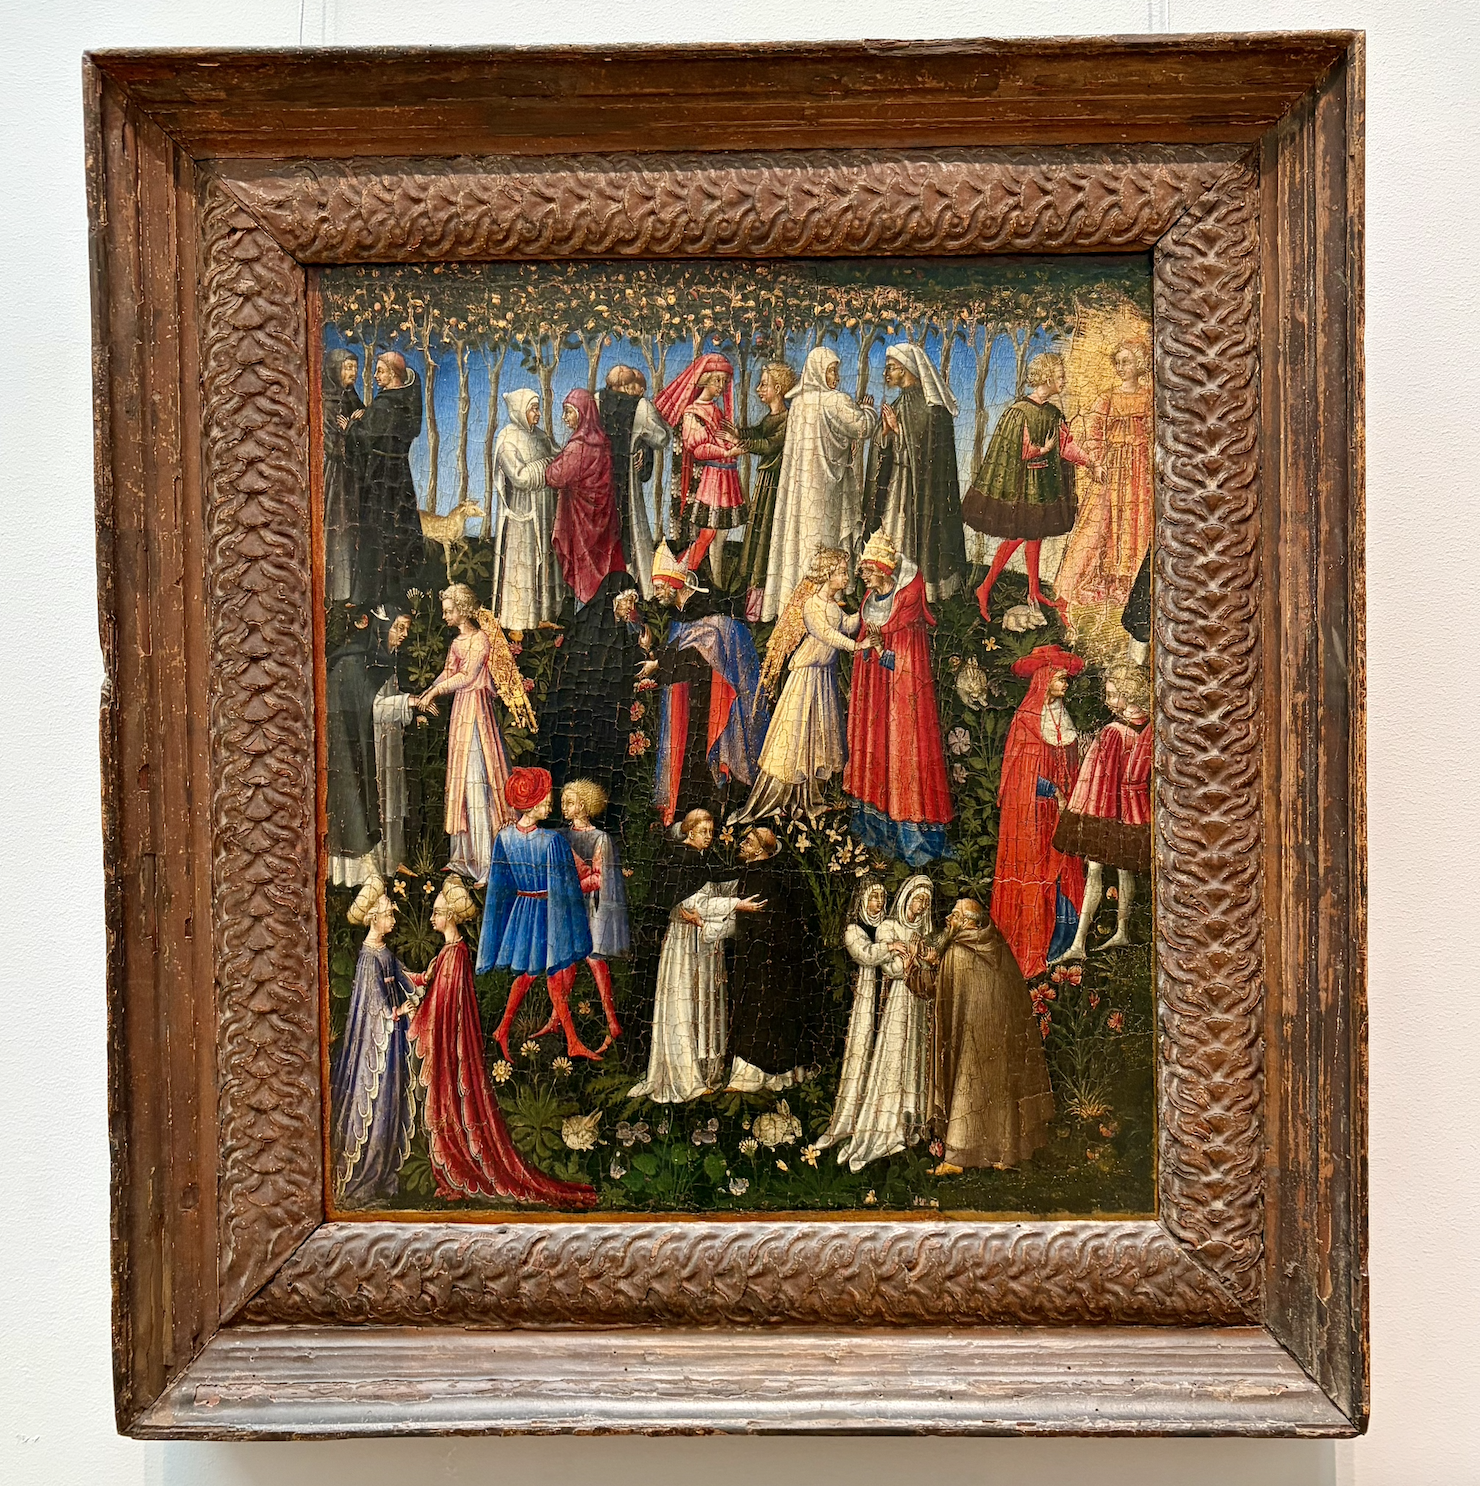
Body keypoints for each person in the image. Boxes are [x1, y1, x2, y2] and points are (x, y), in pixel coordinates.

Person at [401, 875, 598, 1209]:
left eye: (437, 912)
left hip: (449, 1044)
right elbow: (435, 990)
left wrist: (412, 1014)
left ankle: (461, 1166)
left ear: (450, 916)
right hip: (448, 1036)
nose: (432, 917)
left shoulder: (454, 955)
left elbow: (441, 1005)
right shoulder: (451, 953)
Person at [730, 545, 873, 825]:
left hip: (824, 677)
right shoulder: (812, 606)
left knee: (818, 738)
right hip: (806, 678)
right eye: (841, 573)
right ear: (827, 574)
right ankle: (781, 797)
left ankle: (810, 798)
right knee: (796, 737)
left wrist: (867, 608)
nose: (846, 578)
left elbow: (848, 625)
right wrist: (857, 646)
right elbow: (828, 635)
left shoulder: (832, 606)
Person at [910, 897, 1055, 1173]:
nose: (948, 919)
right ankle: (1003, 1154)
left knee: (969, 1091)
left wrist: (916, 969)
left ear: (969, 923)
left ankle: (957, 1159)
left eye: (955, 916)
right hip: (1002, 1040)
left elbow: (936, 990)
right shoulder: (997, 947)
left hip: (973, 1042)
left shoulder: (957, 952)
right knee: (1000, 1092)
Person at [628, 809, 761, 1104]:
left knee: (708, 1001)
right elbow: (690, 903)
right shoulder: (678, 860)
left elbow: (719, 887)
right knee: (684, 1002)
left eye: (711, 832)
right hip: (683, 943)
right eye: (703, 832)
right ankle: (685, 1077)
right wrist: (736, 905)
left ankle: (708, 1073)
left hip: (708, 944)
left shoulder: (707, 860)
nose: (709, 837)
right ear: (689, 832)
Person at [963, 351, 1102, 626]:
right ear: (1047, 378)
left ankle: (1033, 591)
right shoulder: (1019, 412)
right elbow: (1021, 451)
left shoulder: (1053, 413)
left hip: (1041, 487)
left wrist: (1091, 463)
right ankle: (985, 587)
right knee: (1018, 536)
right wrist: (1043, 450)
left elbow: (1066, 447)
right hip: (1021, 488)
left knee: (1035, 536)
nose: (1064, 380)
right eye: (1060, 376)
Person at [842, 528, 954, 866]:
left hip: (901, 695)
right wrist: (870, 651)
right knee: (876, 746)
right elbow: (865, 644)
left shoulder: (906, 607)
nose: (863, 578)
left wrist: (882, 653)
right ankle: (875, 826)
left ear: (883, 570)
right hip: (875, 692)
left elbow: (906, 666)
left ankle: (914, 836)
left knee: (906, 748)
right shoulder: (870, 601)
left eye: (867, 572)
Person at [476, 767, 603, 1063]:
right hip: (548, 911)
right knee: (552, 974)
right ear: (533, 802)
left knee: (531, 973)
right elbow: (567, 886)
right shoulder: (551, 841)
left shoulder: (504, 837)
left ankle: (503, 1029)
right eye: (546, 797)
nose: (550, 803)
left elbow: (499, 887)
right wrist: (593, 879)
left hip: (523, 912)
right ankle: (572, 1042)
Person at [642, 543, 770, 827]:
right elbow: (680, 656)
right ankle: (688, 822)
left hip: (714, 709)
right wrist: (653, 654)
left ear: (677, 584)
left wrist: (658, 665)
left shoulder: (711, 615)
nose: (657, 593)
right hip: (692, 707)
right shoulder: (681, 615)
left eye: (661, 586)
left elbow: (699, 659)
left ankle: (714, 825)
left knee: (705, 764)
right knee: (691, 764)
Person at [413, 583, 521, 885]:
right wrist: (427, 691)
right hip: (461, 714)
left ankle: (487, 863)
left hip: (476, 715)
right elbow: (449, 673)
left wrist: (435, 692)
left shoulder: (480, 639)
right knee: (461, 780)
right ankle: (463, 857)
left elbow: (467, 676)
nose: (445, 616)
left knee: (478, 781)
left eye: (449, 611)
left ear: (462, 610)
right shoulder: (457, 642)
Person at [761, 345, 879, 622]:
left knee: (804, 539)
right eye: (831, 371)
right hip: (824, 490)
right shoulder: (834, 401)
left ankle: (798, 598)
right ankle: (823, 604)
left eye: (836, 371)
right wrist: (868, 410)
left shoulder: (799, 404)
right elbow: (863, 426)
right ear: (817, 371)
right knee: (823, 540)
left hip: (801, 490)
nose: (836, 377)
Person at [991, 644, 1086, 981]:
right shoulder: (1026, 721)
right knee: (1036, 876)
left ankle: (1060, 946)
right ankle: (1033, 948)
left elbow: (1071, 769)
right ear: (1044, 679)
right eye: (1060, 679)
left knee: (1064, 875)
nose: (1065, 685)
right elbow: (1019, 778)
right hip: (1032, 821)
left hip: (1060, 818)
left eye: (1066, 680)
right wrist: (1052, 792)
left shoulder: (1063, 719)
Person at [1051, 666, 1152, 960]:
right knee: (1124, 869)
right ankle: (1122, 931)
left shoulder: (1112, 731)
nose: (1108, 701)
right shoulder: (1151, 727)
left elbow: (1096, 778)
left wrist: (1082, 812)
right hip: (1136, 811)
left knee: (1095, 869)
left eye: (1112, 695)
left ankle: (1078, 943)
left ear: (1127, 694)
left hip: (1107, 809)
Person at [328, 875, 416, 1207]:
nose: (393, 919)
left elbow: (405, 978)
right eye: (389, 914)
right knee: (377, 1102)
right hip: (376, 1045)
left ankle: (382, 1175)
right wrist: (398, 1011)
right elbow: (374, 1004)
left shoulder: (385, 953)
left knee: (391, 1101)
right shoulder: (367, 957)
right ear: (374, 918)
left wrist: (421, 982)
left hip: (391, 1042)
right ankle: (365, 1177)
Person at [839, 875, 936, 1172]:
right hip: (897, 1002)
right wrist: (911, 960)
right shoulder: (889, 928)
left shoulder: (924, 932)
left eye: (926, 901)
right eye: (917, 899)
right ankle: (888, 1121)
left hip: (919, 1003)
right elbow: (892, 969)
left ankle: (912, 1122)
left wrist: (923, 959)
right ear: (906, 898)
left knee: (916, 1059)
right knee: (893, 1057)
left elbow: (931, 966)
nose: (921, 906)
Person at [1051, 340, 1153, 614]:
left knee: (1137, 521)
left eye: (1126, 362)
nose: (1121, 367)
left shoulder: (1149, 397)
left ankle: (1129, 582)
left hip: (1141, 470)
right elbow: (1094, 432)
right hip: (1113, 468)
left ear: (1139, 364)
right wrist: (1096, 462)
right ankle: (1101, 580)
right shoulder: (1107, 398)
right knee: (1101, 523)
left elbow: (1155, 430)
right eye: (1117, 362)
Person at [864, 342, 968, 604]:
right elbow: (885, 445)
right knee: (894, 532)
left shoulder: (932, 408)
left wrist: (898, 431)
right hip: (898, 485)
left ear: (905, 369)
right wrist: (886, 434)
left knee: (915, 534)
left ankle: (920, 589)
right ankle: (891, 582)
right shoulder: (899, 403)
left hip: (921, 490)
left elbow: (928, 453)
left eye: (891, 368)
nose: (886, 373)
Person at [724, 826, 823, 1093]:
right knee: (753, 1011)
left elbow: (789, 919)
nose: (743, 844)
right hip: (754, 959)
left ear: (761, 849)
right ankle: (753, 1075)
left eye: (748, 841)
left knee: (766, 1015)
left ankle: (761, 1076)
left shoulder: (770, 876)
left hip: (773, 962)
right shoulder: (751, 874)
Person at [542, 570, 646, 807]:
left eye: (633, 602)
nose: (631, 607)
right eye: (628, 601)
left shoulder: (617, 627)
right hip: (582, 715)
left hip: (602, 715)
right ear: (613, 598)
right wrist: (640, 651)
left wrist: (640, 650)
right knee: (581, 764)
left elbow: (619, 666)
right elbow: (601, 669)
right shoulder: (589, 625)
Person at [815, 878, 900, 1152]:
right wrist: (890, 948)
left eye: (882, 898)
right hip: (862, 1001)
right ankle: (848, 1119)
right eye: (873, 897)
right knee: (859, 1056)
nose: (879, 903)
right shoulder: (854, 929)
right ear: (862, 900)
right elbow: (865, 954)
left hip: (889, 1000)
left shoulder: (889, 926)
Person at [653, 352, 745, 587]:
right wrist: (726, 452)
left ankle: (714, 580)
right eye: (717, 380)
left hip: (727, 477)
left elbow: (723, 439)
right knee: (709, 532)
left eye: (724, 381)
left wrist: (733, 443)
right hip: (713, 478)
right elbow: (698, 449)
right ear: (704, 380)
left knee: (721, 533)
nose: (721, 386)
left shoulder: (716, 411)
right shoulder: (693, 412)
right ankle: (682, 575)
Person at [349, 351, 426, 608]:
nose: (375, 375)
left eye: (380, 371)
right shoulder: (405, 401)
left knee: (378, 531)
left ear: (393, 375)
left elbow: (363, 439)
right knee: (399, 528)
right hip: (400, 474)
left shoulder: (384, 405)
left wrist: (350, 426)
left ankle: (373, 595)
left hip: (380, 477)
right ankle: (399, 589)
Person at [559, 777, 629, 1053]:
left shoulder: (600, 838)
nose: (564, 806)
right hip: (564, 907)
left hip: (589, 906)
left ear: (584, 805)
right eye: (563, 802)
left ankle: (612, 1022)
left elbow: (599, 878)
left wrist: (572, 887)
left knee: (594, 960)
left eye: (570, 802)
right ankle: (557, 1018)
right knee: (564, 961)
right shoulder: (560, 836)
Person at [490, 388, 565, 631]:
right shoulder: (507, 439)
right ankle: (519, 621)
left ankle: (546, 615)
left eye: (538, 408)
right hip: (523, 515)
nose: (538, 413)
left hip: (545, 510)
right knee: (524, 564)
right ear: (519, 410)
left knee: (546, 559)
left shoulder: (541, 436)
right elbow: (520, 478)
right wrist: (547, 466)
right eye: (533, 408)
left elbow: (561, 458)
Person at [545, 387, 625, 607]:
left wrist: (548, 465)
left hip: (583, 523)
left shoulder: (579, 446)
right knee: (603, 566)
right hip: (603, 518)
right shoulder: (602, 442)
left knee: (586, 571)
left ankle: (585, 616)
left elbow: (555, 476)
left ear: (583, 413)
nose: (564, 418)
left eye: (568, 412)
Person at [728, 360, 795, 620]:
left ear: (778, 389)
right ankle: (753, 600)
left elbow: (769, 444)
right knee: (757, 536)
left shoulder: (788, 419)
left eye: (764, 385)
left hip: (776, 486)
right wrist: (738, 432)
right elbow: (757, 432)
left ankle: (765, 603)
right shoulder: (771, 418)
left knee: (766, 536)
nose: (758, 389)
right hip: (766, 482)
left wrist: (741, 442)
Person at [598, 364, 670, 597]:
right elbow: (661, 437)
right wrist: (643, 446)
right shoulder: (641, 407)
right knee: (629, 530)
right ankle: (633, 585)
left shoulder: (595, 401)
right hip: (625, 479)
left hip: (597, 479)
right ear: (626, 385)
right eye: (632, 385)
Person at [322, 347, 363, 604]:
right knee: (340, 528)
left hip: (355, 475)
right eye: (348, 367)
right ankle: (338, 591)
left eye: (355, 368)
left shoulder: (352, 398)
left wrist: (358, 424)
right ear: (335, 369)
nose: (353, 373)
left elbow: (364, 432)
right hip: (338, 477)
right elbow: (333, 446)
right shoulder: (327, 403)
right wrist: (351, 432)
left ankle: (355, 591)